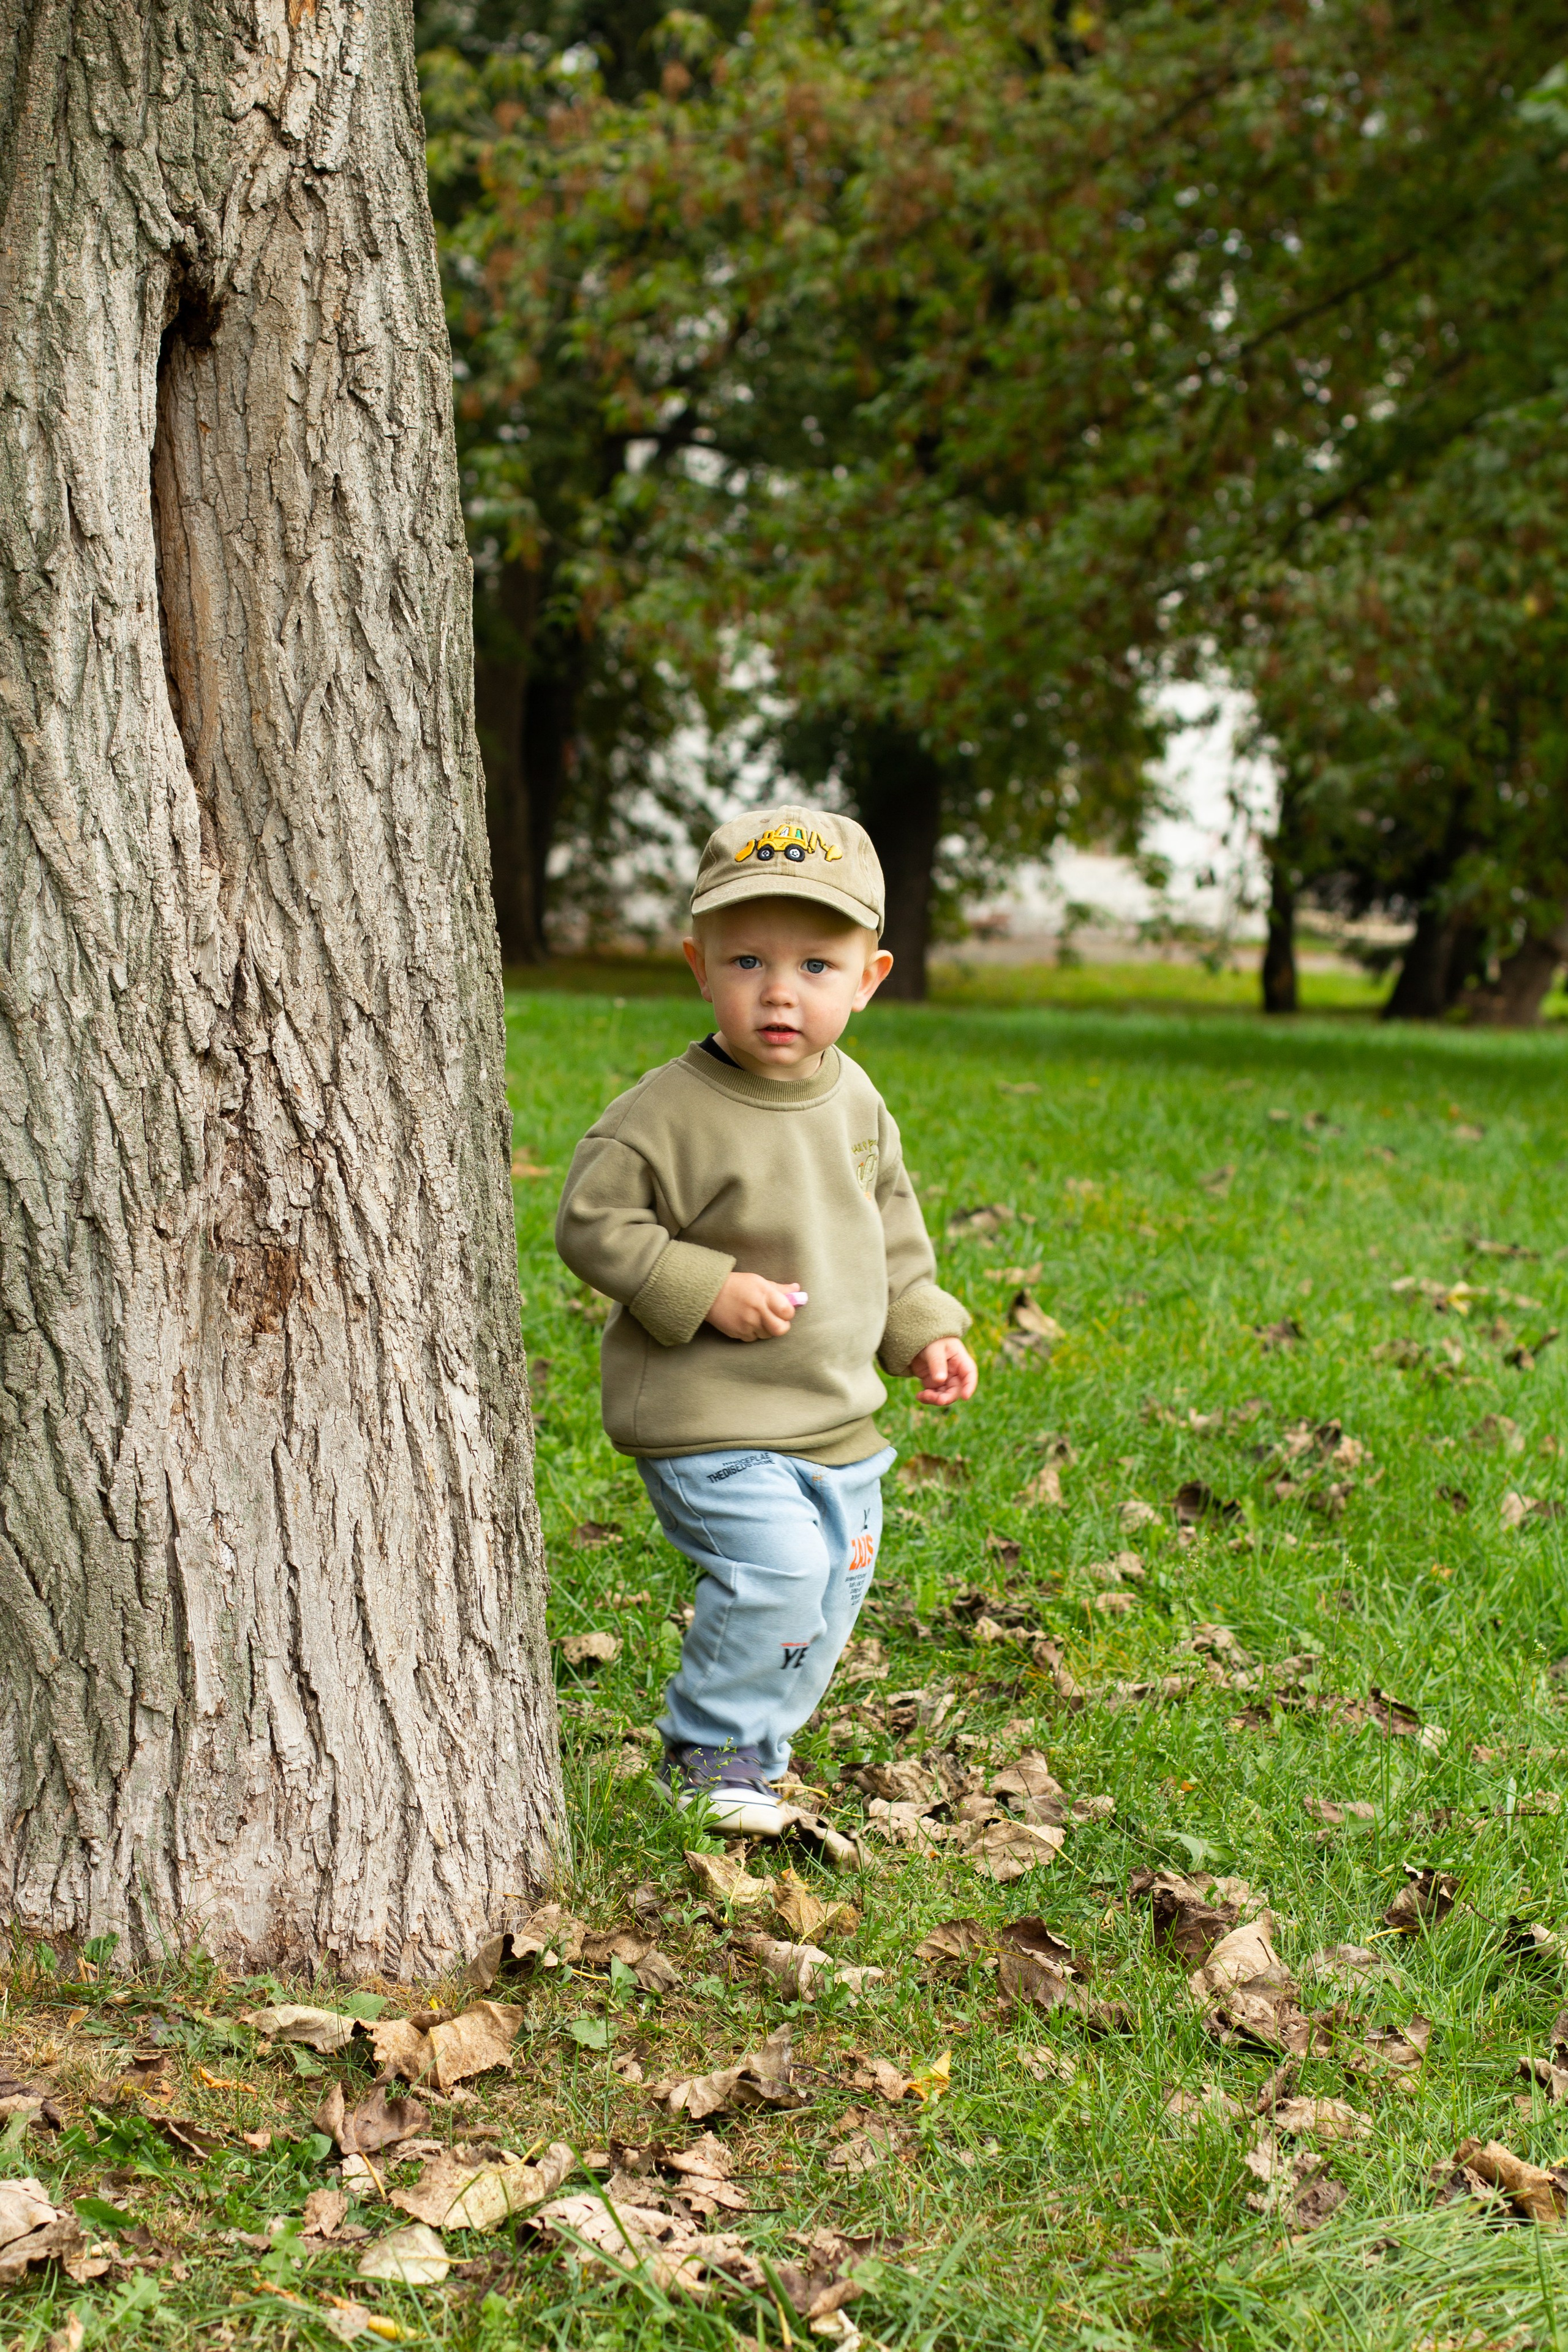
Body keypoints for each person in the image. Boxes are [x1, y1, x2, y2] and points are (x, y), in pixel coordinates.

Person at [555, 804, 978, 1832]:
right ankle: (705, 1757)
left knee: (830, 1600)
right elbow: (592, 1221)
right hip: (715, 1421)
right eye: (747, 960)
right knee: (778, 1575)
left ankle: (759, 1751)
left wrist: (924, 1326)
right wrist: (703, 1287)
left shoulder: (856, 1100)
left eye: (816, 967)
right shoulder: (666, 1112)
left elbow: (892, 1221)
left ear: (869, 978)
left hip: (837, 1421)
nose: (779, 991)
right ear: (700, 969)